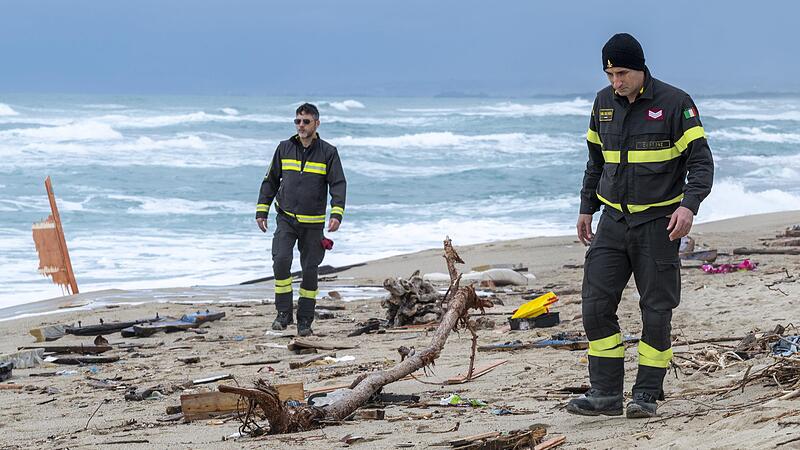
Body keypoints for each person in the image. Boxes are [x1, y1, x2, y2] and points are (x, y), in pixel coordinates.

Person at [567, 33, 713, 418]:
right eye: (610, 74)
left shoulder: (675, 103)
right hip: (612, 222)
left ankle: (646, 394)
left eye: (622, 73)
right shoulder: (603, 104)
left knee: (656, 311)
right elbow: (595, 163)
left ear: (641, 68)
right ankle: (605, 394)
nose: (616, 82)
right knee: (595, 307)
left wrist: (688, 206)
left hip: (657, 225)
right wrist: (587, 208)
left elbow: (701, 164)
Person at [256, 103, 347, 336]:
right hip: (286, 219)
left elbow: (338, 184)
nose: (301, 126)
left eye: (306, 121)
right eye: (297, 121)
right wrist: (262, 210)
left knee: (309, 270)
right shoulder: (284, 148)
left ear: (317, 123)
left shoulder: (328, 152)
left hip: (313, 223)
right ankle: (283, 314)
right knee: (281, 261)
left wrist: (336, 214)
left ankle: (305, 320)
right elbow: (270, 180)